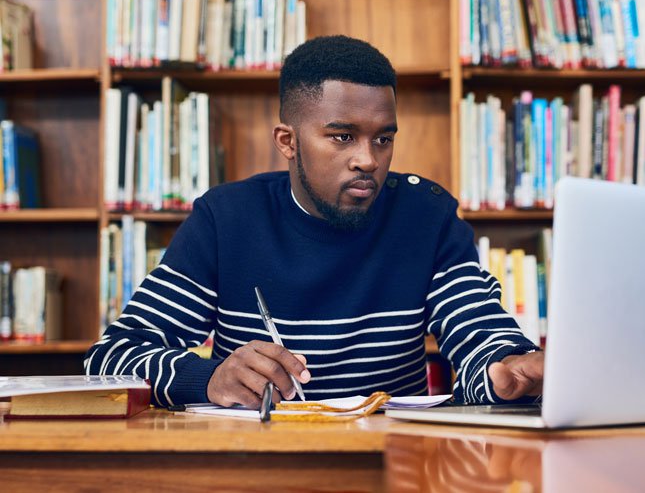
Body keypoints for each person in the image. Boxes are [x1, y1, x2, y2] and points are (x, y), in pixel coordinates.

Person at [85, 35, 544, 409]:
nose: (368, 160)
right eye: (342, 137)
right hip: (255, 464)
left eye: (383, 139)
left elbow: (479, 328)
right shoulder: (225, 220)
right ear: (287, 141)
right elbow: (109, 360)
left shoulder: (428, 215)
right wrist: (209, 378)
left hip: (391, 464)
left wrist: (503, 369)